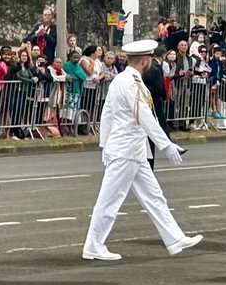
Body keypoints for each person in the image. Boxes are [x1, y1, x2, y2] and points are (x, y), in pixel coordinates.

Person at [82, 39, 203, 262]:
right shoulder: (130, 82)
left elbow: (107, 114)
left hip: (133, 150)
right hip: (126, 150)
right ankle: (93, 245)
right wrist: (165, 144)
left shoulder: (123, 80)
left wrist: (105, 144)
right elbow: (144, 115)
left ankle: (175, 238)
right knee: (110, 200)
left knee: (155, 196)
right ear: (145, 60)